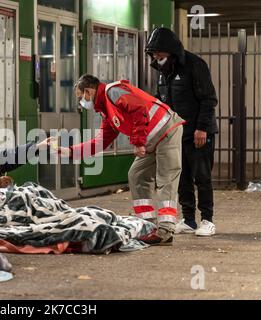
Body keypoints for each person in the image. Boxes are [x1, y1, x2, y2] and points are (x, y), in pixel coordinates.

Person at [58, 74, 185, 246]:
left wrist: (138, 142)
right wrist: (68, 152)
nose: (81, 102)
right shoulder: (107, 111)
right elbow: (99, 143)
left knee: (166, 177)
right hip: (150, 138)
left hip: (166, 129)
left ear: (88, 92)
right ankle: (147, 224)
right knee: (136, 174)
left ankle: (165, 230)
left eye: (81, 97)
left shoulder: (113, 92)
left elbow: (140, 109)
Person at [145, 28, 219, 237]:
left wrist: (202, 128)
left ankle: (207, 220)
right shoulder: (163, 72)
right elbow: (161, 102)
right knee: (183, 177)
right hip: (176, 135)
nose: (156, 57)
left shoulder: (195, 65)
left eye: (159, 53)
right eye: (153, 54)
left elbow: (208, 99)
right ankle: (188, 220)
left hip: (198, 133)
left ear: (171, 50)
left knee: (202, 177)